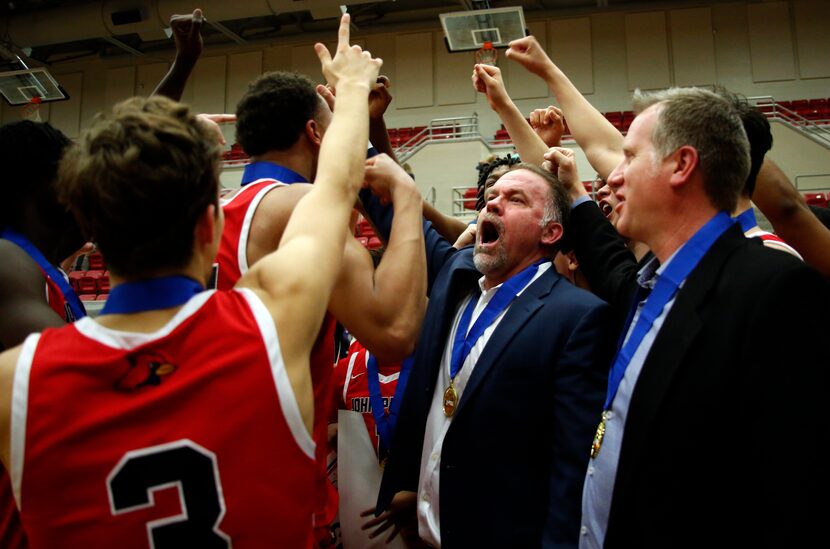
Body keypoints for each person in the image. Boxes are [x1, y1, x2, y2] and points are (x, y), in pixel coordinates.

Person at [0, 14, 384, 546]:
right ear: (211, 225)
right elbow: (338, 184)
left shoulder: (14, 381)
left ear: (91, 236)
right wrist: (352, 87)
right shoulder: (272, 323)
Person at [537, 84, 828, 546]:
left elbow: (790, 495)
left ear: (682, 165)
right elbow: (608, 261)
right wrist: (573, 194)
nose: (613, 177)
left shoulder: (774, 290)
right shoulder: (648, 285)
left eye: (630, 157)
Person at [217, 64, 426, 545]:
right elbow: (394, 331)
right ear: (315, 133)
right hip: (277, 491)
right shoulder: (300, 208)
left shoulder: (213, 215)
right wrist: (407, 200)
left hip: (212, 474)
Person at [366, 163, 615, 547]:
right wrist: (340, 129)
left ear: (550, 232)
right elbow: (390, 209)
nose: (493, 205)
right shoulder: (456, 276)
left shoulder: (578, 316)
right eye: (490, 197)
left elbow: (571, 467)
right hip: (422, 535)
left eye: (515, 199)